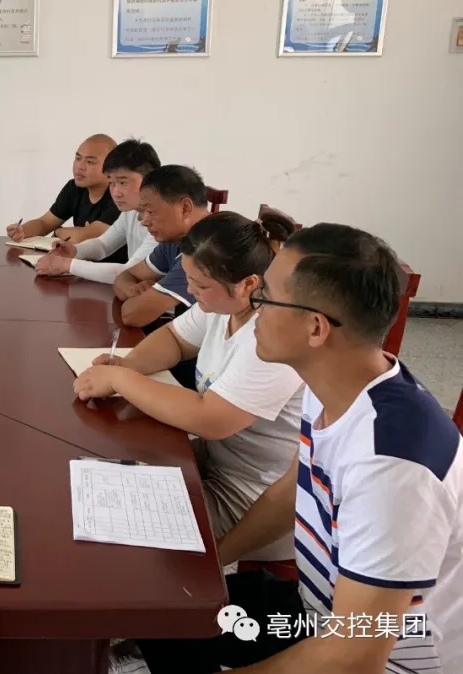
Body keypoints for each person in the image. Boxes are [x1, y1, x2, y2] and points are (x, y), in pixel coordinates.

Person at [133, 224, 463, 674]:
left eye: (267, 298)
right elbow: (287, 493)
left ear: (315, 327)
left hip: (385, 660)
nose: (255, 307)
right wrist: (214, 559)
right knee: (162, 611)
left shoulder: (391, 465)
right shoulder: (336, 385)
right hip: (316, 611)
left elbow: (355, 656)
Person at [73, 212, 303, 561]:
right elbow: (175, 339)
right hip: (215, 459)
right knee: (105, 476)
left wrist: (122, 379)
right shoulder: (223, 306)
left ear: (248, 284)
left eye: (201, 284)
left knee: (128, 541)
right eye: (189, 278)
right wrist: (127, 365)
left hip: (254, 493)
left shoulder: (271, 336)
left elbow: (211, 418)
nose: (191, 290)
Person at [35, 138, 160, 281]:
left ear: (149, 179)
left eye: (123, 182)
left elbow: (130, 272)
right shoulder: (131, 211)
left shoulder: (162, 220)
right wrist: (75, 251)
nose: (116, 193)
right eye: (111, 183)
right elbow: (103, 244)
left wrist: (67, 265)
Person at [112, 165, 211, 328]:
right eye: (142, 212)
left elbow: (132, 315)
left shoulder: (207, 248)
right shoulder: (177, 239)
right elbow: (126, 275)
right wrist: (132, 290)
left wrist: (139, 300)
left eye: (151, 212)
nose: (144, 221)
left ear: (185, 208)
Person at [5, 134, 121, 247]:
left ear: (111, 166)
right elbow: (45, 223)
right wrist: (23, 231)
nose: (80, 166)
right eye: (78, 158)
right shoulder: (74, 188)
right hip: (81, 258)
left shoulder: (119, 194)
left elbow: (86, 236)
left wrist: (58, 231)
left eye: (90, 162)